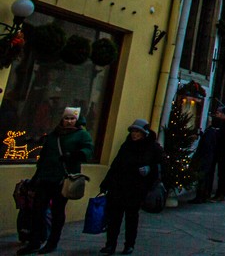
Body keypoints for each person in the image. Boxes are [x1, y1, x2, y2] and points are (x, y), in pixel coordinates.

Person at [18, 107, 95, 255]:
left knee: (57, 211)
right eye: (66, 118)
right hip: (45, 177)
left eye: (72, 119)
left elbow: (88, 151)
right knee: (38, 210)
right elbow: (45, 155)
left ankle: (52, 242)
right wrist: (37, 175)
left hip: (63, 179)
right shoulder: (54, 135)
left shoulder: (81, 135)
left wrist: (74, 155)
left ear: (77, 120)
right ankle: (34, 241)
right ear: (62, 119)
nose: (69, 121)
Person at [99, 119, 163, 255]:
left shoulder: (152, 148)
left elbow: (159, 168)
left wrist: (149, 170)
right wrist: (106, 182)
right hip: (119, 186)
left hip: (137, 189)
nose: (134, 134)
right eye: (133, 131)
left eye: (137, 132)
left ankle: (129, 245)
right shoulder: (126, 146)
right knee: (114, 218)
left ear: (144, 133)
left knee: (131, 218)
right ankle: (110, 244)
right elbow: (116, 165)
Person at [189, 114, 219, 203]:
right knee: (206, 176)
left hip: (205, 157)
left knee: (202, 176)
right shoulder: (215, 132)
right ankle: (204, 195)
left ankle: (200, 196)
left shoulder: (210, 132)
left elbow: (206, 145)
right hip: (210, 156)